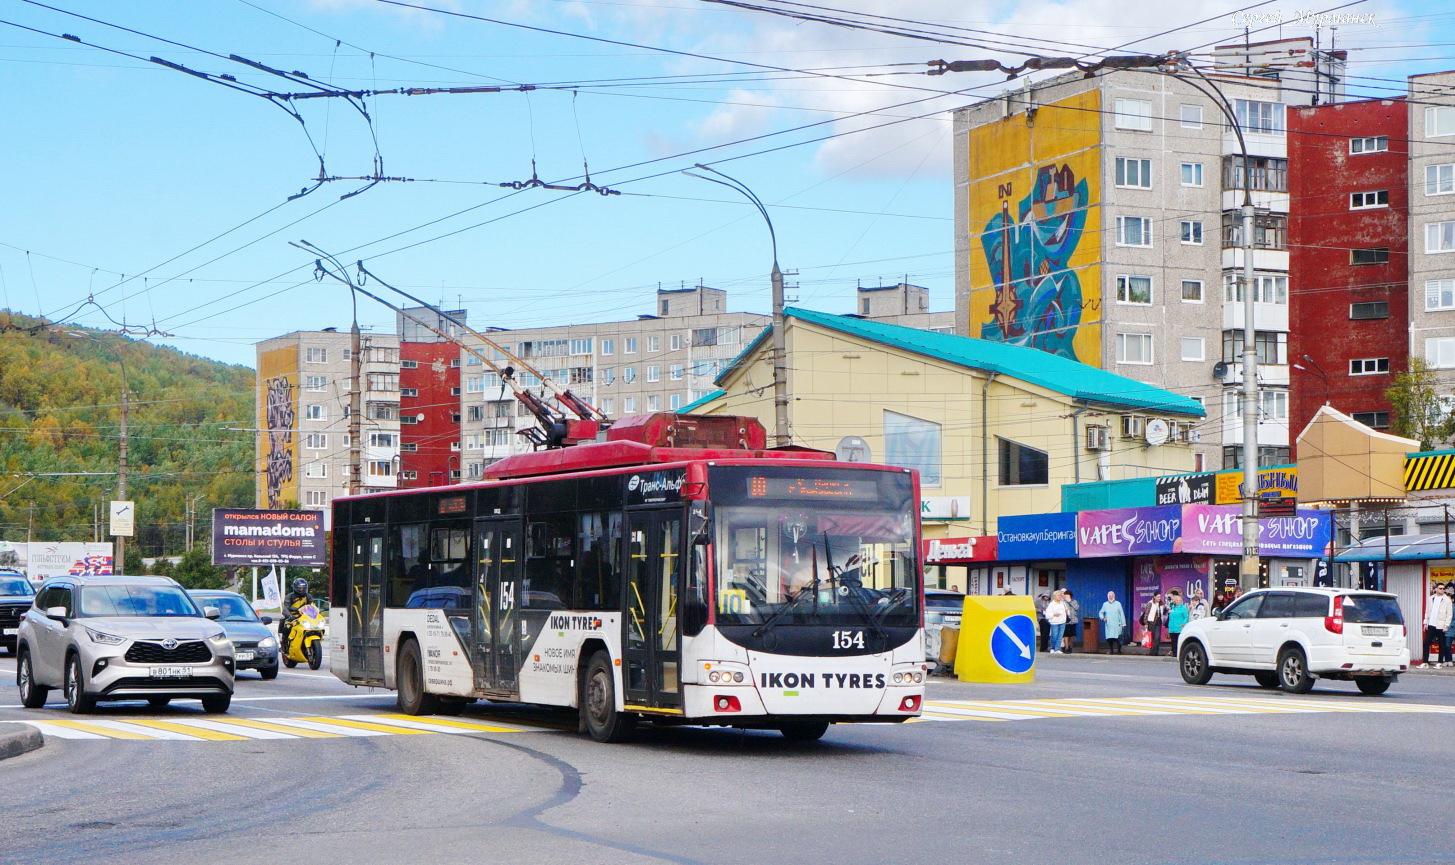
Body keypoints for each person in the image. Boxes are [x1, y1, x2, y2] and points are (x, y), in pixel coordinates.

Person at [280, 577, 313, 653]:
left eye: (303, 588)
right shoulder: (289, 596)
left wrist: (318, 613)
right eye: (299, 588)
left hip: (305, 617)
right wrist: (289, 616)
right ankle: (284, 644)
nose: (301, 590)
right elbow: (285, 609)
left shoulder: (308, 596)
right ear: (295, 588)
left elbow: (312, 606)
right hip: (293, 618)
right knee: (287, 627)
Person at [1424, 582, 1453, 668]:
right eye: (1440, 588)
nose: (1442, 590)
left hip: (1441, 625)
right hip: (1431, 624)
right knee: (1426, 643)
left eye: (1443, 588)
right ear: (1436, 589)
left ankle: (1440, 662)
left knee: (1441, 644)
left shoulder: (1447, 600)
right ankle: (1425, 662)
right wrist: (1425, 622)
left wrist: (1446, 625)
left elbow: (1449, 614)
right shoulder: (1431, 598)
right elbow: (1427, 610)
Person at [1044, 590, 1069, 655]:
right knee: (1054, 635)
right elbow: (1047, 614)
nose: (1059, 597)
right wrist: (1053, 614)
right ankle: (1052, 648)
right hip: (1054, 622)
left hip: (1062, 621)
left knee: (1060, 636)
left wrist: (1067, 611)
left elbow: (1068, 612)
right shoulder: (1051, 604)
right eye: (1058, 595)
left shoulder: (1063, 603)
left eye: (1060, 595)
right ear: (1054, 596)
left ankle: (1057, 648)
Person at [1167, 590, 1190, 656]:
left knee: (1178, 641)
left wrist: (1183, 624)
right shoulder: (1172, 607)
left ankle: (1179, 654)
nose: (1178, 601)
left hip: (1179, 627)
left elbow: (1186, 617)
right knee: (1173, 642)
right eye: (1176, 600)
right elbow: (1169, 616)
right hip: (1172, 627)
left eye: (1179, 600)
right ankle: (1174, 653)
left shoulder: (1183, 608)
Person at [1062, 589, 1080, 653]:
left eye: (1068, 595)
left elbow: (1077, 608)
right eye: (1065, 595)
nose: (1066, 597)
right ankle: (1066, 648)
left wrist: (1070, 602)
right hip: (1066, 620)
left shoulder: (1074, 601)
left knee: (1072, 635)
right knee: (1066, 635)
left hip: (1074, 620)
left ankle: (1069, 645)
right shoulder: (1063, 602)